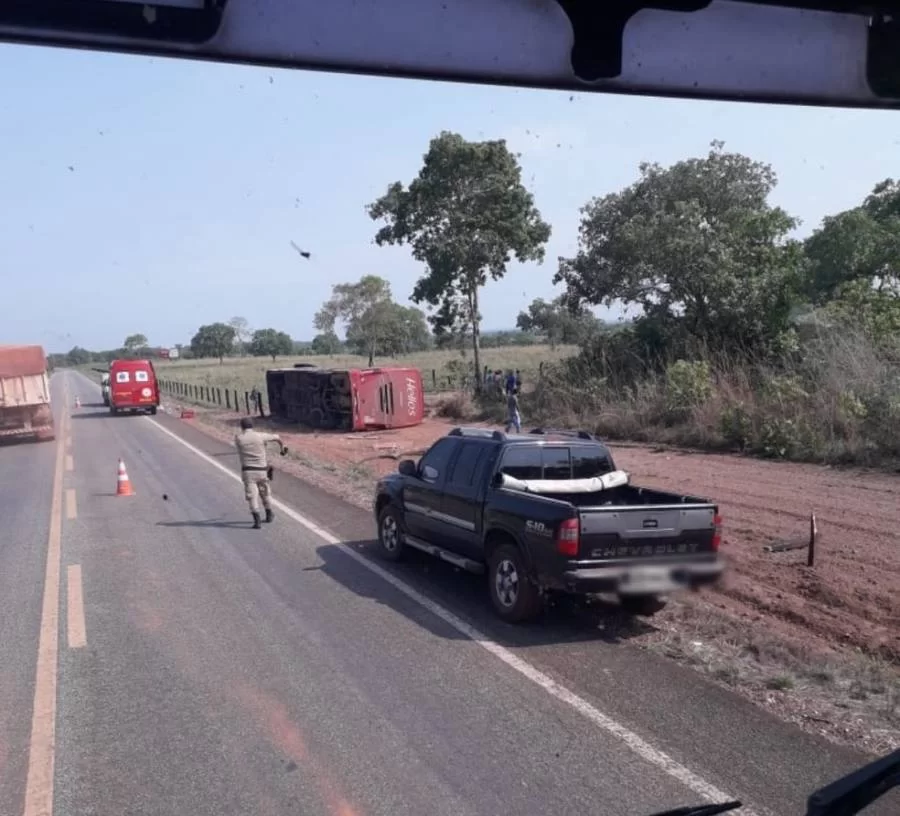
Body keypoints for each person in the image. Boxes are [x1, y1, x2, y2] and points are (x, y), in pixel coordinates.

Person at [234, 417, 287, 529]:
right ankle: (269, 514)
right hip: (262, 471)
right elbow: (277, 437)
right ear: (252, 426)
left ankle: (257, 520)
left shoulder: (238, 438)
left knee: (252, 496)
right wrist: (282, 449)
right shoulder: (260, 436)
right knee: (265, 493)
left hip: (248, 471)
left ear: (242, 427)